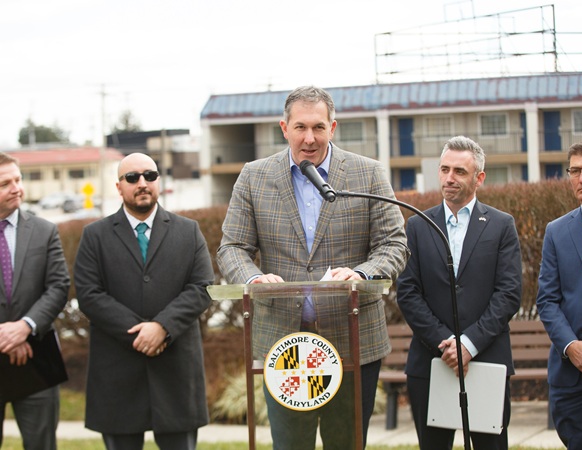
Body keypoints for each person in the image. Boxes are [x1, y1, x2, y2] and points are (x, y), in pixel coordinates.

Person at [216, 85, 409, 449]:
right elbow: (232, 248)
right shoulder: (254, 176)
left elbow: (394, 244)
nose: (309, 138)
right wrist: (254, 277)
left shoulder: (367, 174)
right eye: (300, 127)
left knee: (347, 444)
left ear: (333, 128)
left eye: (318, 127)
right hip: (284, 342)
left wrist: (363, 273)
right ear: (283, 127)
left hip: (353, 338)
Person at [74, 152, 214, 450]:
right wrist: (141, 332)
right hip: (118, 372)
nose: (142, 183)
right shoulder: (94, 236)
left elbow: (201, 287)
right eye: (132, 177)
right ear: (119, 186)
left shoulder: (188, 231)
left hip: (175, 368)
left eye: (149, 176)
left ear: (158, 181)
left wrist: (162, 327)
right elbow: (89, 294)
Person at [396, 135, 522, 450]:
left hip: (486, 360)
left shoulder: (501, 225)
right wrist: (447, 345)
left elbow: (508, 293)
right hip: (431, 363)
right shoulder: (418, 225)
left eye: (460, 172)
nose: (450, 178)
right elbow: (408, 293)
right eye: (445, 169)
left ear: (479, 178)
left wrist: (469, 344)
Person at [0, 152, 70, 450]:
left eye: (18, 179)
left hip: (37, 360)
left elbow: (58, 286)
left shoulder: (44, 231)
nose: (17, 188)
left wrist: (25, 328)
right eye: (5, 183)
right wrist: (6, 335)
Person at [536, 141, 582, 449]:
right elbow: (547, 300)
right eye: (575, 171)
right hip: (568, 374)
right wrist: (571, 346)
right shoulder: (556, 231)